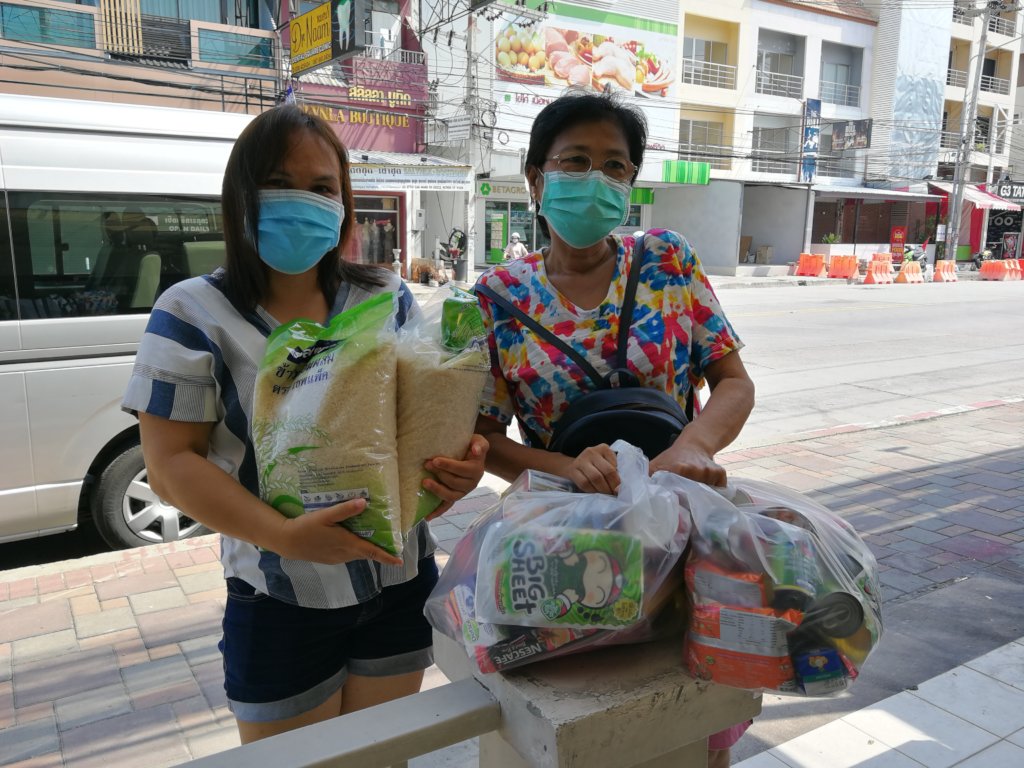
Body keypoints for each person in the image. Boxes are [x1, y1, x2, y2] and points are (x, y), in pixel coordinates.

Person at [122, 105, 488, 744]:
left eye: (322, 187)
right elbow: (171, 465)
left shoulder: (385, 295)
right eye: (278, 182)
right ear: (241, 198)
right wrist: (285, 536)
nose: (302, 200)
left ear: (345, 203)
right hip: (280, 601)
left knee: (379, 761)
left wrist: (456, 469)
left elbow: (416, 426)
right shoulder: (191, 312)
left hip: (398, 583)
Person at [472, 92, 755, 768]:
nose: (596, 180)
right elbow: (485, 438)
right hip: (565, 545)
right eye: (576, 161)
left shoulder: (666, 261)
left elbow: (734, 383)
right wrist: (562, 466)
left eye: (615, 166)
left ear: (631, 183)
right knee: (588, 717)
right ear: (537, 178)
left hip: (680, 529)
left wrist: (693, 444)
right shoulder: (497, 299)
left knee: (693, 722)